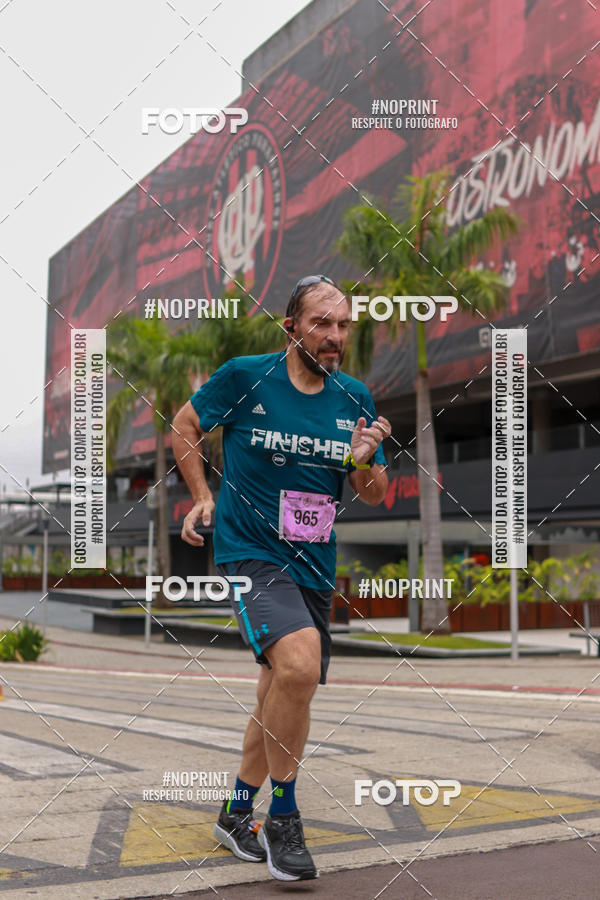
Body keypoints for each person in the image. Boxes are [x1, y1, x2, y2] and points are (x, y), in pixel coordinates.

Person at [172, 275, 390, 881]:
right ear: (290, 326)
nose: (335, 336)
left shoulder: (354, 397)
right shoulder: (246, 376)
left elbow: (372, 493)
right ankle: (284, 819)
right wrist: (201, 497)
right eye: (322, 323)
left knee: (280, 688)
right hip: (249, 552)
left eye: (344, 325)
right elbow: (184, 425)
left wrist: (364, 458)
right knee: (298, 666)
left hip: (313, 564)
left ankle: (235, 812)